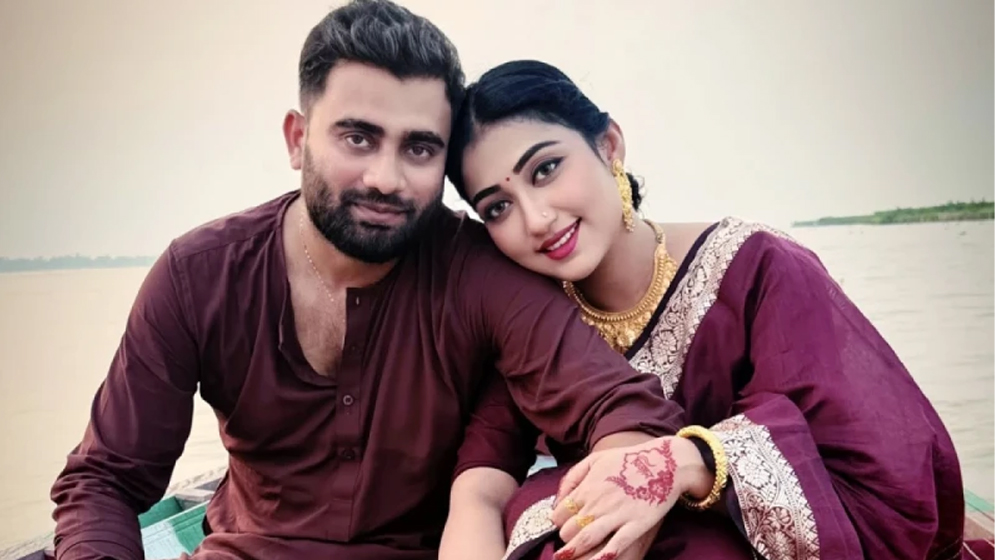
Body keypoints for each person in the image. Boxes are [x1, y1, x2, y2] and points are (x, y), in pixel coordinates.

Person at [47, 6, 710, 560]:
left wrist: (613, 502)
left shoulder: (480, 272)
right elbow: (105, 479)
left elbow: (625, 410)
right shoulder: (199, 275)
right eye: (358, 138)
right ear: (297, 139)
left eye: (418, 148)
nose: (387, 179)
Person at [441, 59, 968, 560]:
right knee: (543, 507)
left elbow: (879, 475)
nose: (536, 219)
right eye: (498, 207)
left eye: (546, 169)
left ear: (609, 145)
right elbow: (485, 474)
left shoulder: (757, 268)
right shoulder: (533, 317)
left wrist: (687, 462)